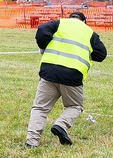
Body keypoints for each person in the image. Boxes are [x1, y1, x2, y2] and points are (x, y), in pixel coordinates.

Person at [25, 10, 107, 147]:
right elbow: (102, 54)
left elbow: (42, 30)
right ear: (84, 22)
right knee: (75, 106)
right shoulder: (89, 32)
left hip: (49, 71)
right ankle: (61, 125)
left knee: (40, 108)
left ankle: (31, 141)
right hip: (72, 75)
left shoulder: (60, 23)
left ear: (70, 18)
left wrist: (44, 46)